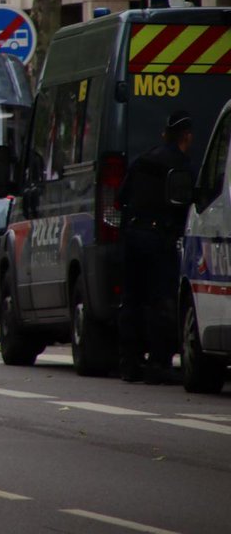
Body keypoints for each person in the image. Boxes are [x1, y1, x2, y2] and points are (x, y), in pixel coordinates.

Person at [116, 110, 194, 385]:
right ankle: (158, 364)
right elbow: (186, 206)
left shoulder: (143, 160)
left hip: (133, 236)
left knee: (132, 299)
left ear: (165, 134)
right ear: (186, 137)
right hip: (159, 239)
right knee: (161, 301)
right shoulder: (181, 166)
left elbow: (120, 198)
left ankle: (129, 363)